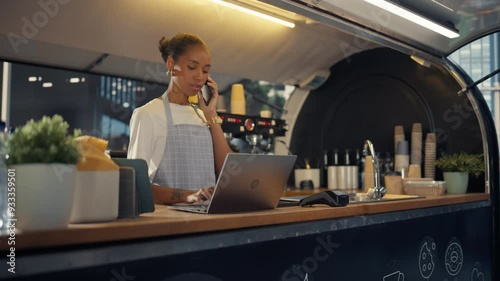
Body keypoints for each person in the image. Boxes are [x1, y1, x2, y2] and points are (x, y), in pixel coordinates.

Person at [128, 33, 232, 204]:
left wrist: (211, 115)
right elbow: (135, 184)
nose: (200, 76)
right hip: (170, 221)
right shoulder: (147, 114)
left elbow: (228, 172)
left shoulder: (202, 115)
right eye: (192, 67)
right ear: (171, 64)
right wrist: (186, 196)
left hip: (210, 219)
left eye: (205, 70)